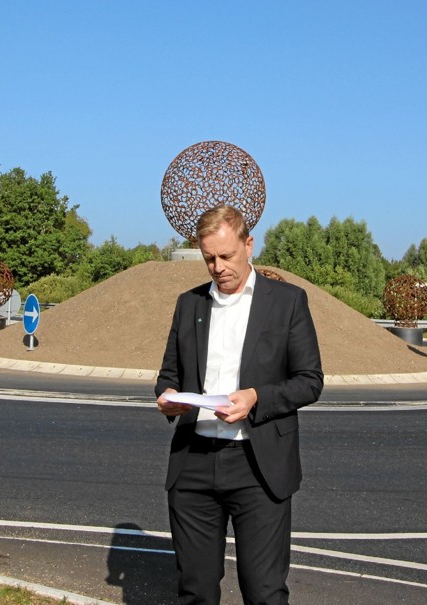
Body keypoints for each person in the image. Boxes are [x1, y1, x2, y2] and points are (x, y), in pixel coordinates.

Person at [155, 205, 324, 605]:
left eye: (227, 256)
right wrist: (168, 398)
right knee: (195, 592)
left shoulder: (287, 302)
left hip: (258, 466)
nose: (217, 267)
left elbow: (310, 382)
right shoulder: (189, 304)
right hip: (193, 463)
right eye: (208, 257)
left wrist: (257, 397)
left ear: (249, 245)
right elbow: (168, 375)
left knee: (264, 593)